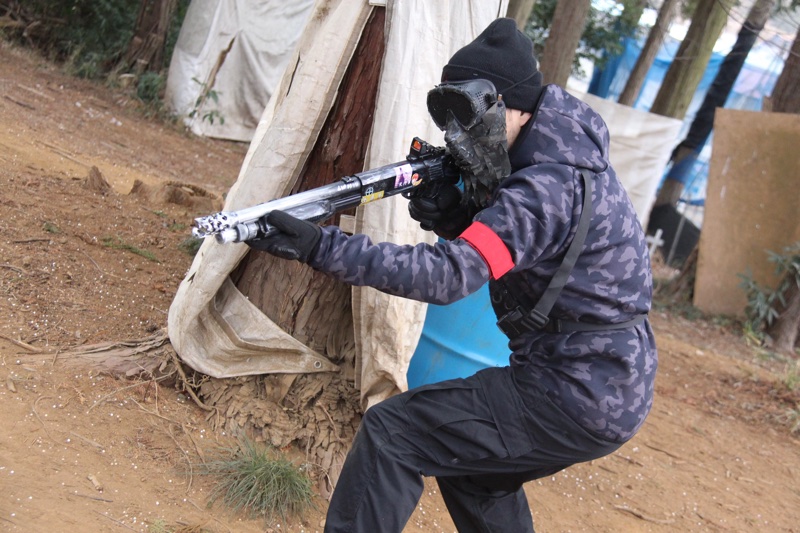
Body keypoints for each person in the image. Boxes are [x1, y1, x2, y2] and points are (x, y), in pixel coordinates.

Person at [247, 17, 657, 533]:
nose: (456, 134)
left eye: (467, 114)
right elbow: (527, 254)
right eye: (447, 115)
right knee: (475, 474)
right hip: (606, 383)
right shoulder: (557, 158)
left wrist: (320, 245)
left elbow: (446, 279)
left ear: (510, 105)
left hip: (573, 388)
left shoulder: (546, 186)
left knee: (395, 433)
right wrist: (455, 218)